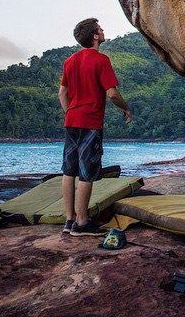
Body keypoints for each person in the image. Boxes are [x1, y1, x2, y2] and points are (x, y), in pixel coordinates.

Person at [58, 18, 132, 237]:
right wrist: (126, 108)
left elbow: (62, 93)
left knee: (68, 170)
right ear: (95, 36)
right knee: (86, 172)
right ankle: (82, 222)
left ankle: (69, 219)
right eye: (100, 29)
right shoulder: (101, 60)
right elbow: (111, 93)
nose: (103, 30)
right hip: (89, 122)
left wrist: (70, 112)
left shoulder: (70, 61)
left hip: (71, 121)